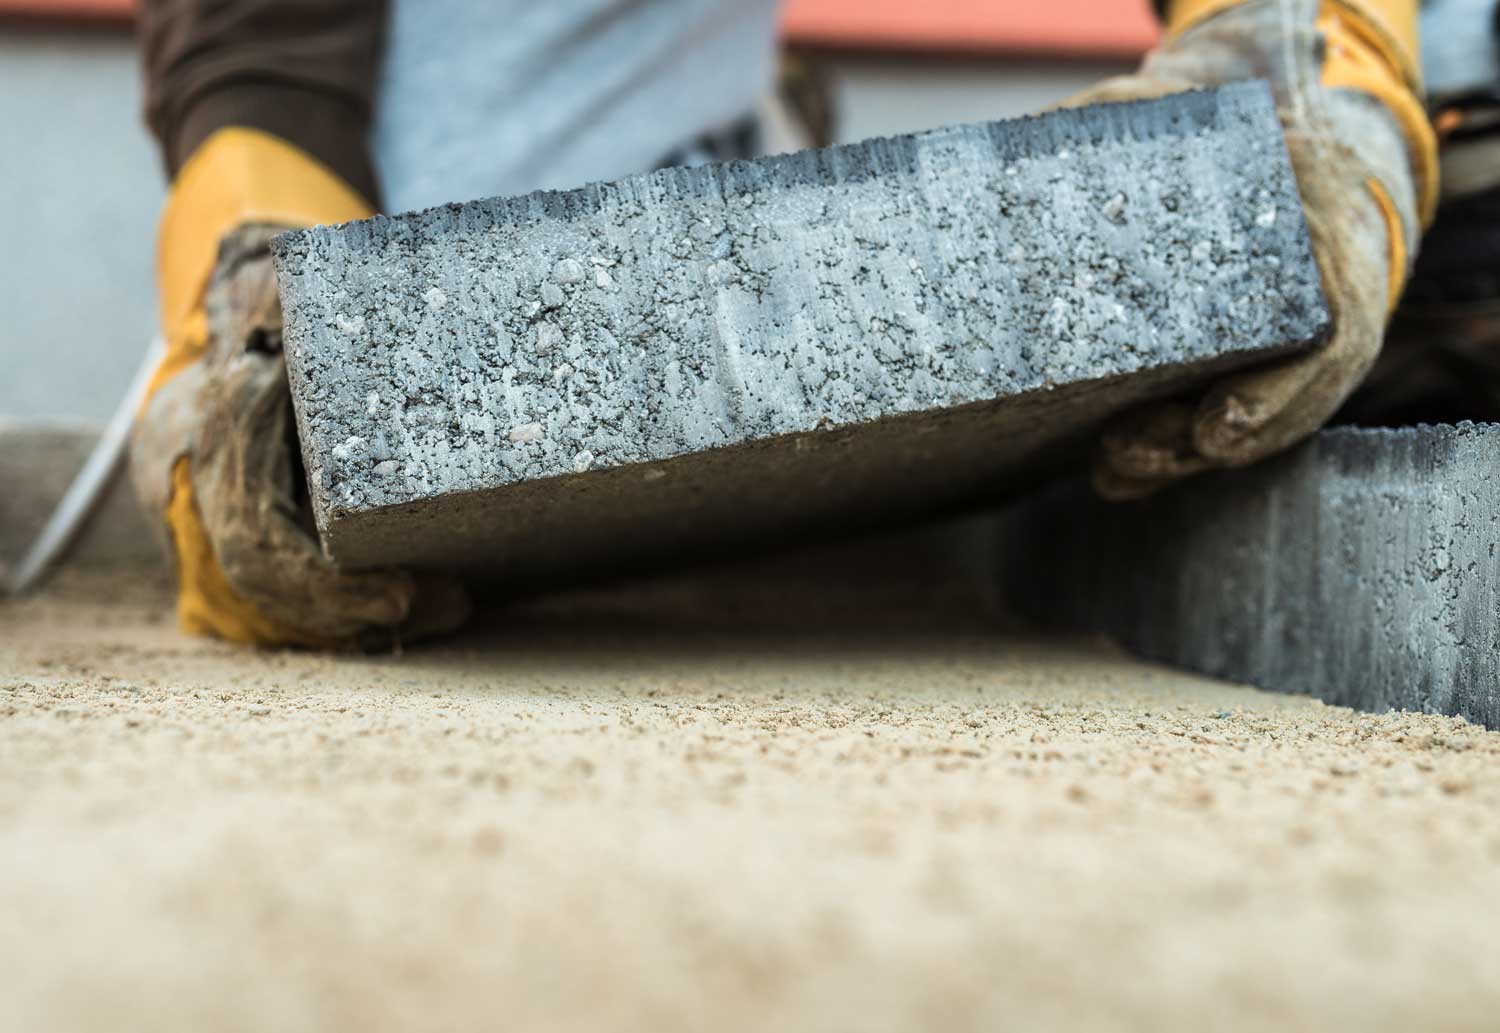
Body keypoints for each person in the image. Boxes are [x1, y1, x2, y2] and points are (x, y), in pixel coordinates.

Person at [128, 0, 1487, 648]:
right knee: (443, 346)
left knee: (1442, 67)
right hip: (497, 173)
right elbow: (258, 53)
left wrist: (1324, 79)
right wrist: (242, 318)